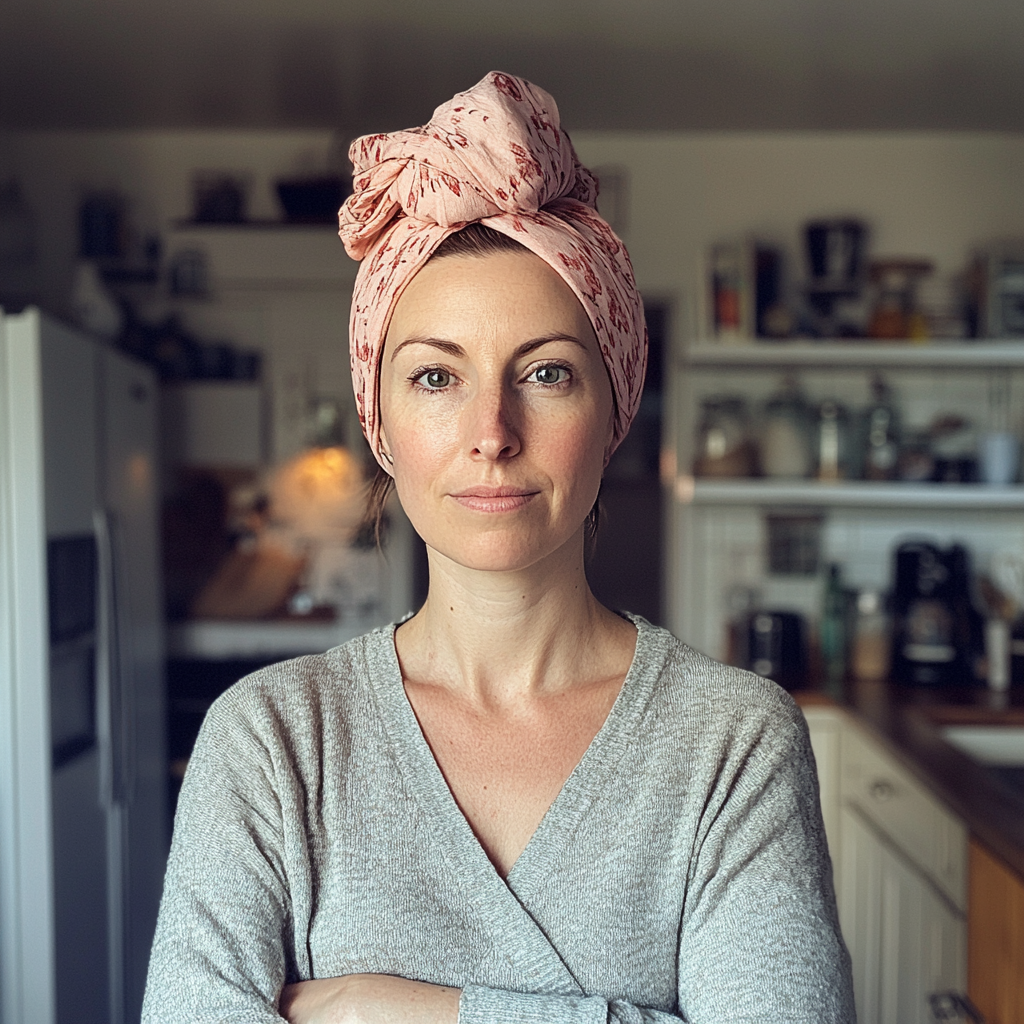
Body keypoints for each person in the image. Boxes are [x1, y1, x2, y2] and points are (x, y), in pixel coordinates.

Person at [142, 72, 854, 1024]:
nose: (491, 430)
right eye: (436, 376)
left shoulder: (733, 742)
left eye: (548, 373)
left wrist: (399, 1010)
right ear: (381, 423)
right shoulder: (272, 742)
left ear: (616, 411)